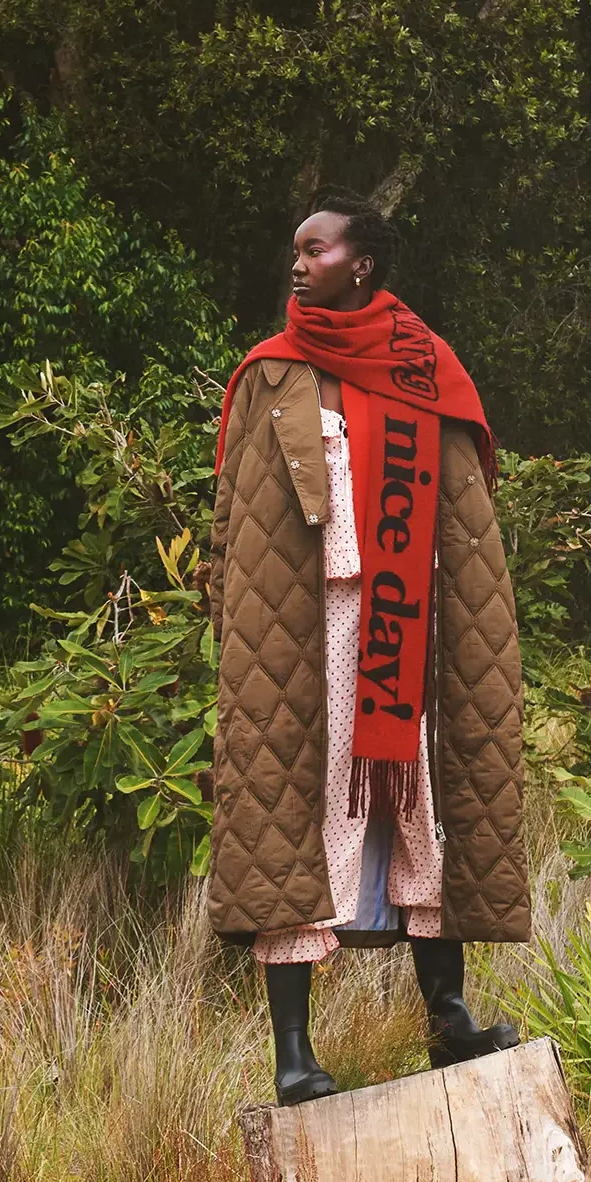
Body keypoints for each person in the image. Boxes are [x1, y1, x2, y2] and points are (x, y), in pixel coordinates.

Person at [207, 192, 529, 1105]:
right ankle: (294, 1057)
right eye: (294, 250)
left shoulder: (429, 373)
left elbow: (468, 527)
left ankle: (450, 1020)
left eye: (316, 249)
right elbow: (242, 526)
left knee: (424, 805)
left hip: (412, 636)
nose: (298, 263)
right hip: (307, 639)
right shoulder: (274, 375)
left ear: (363, 265)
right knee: (296, 820)